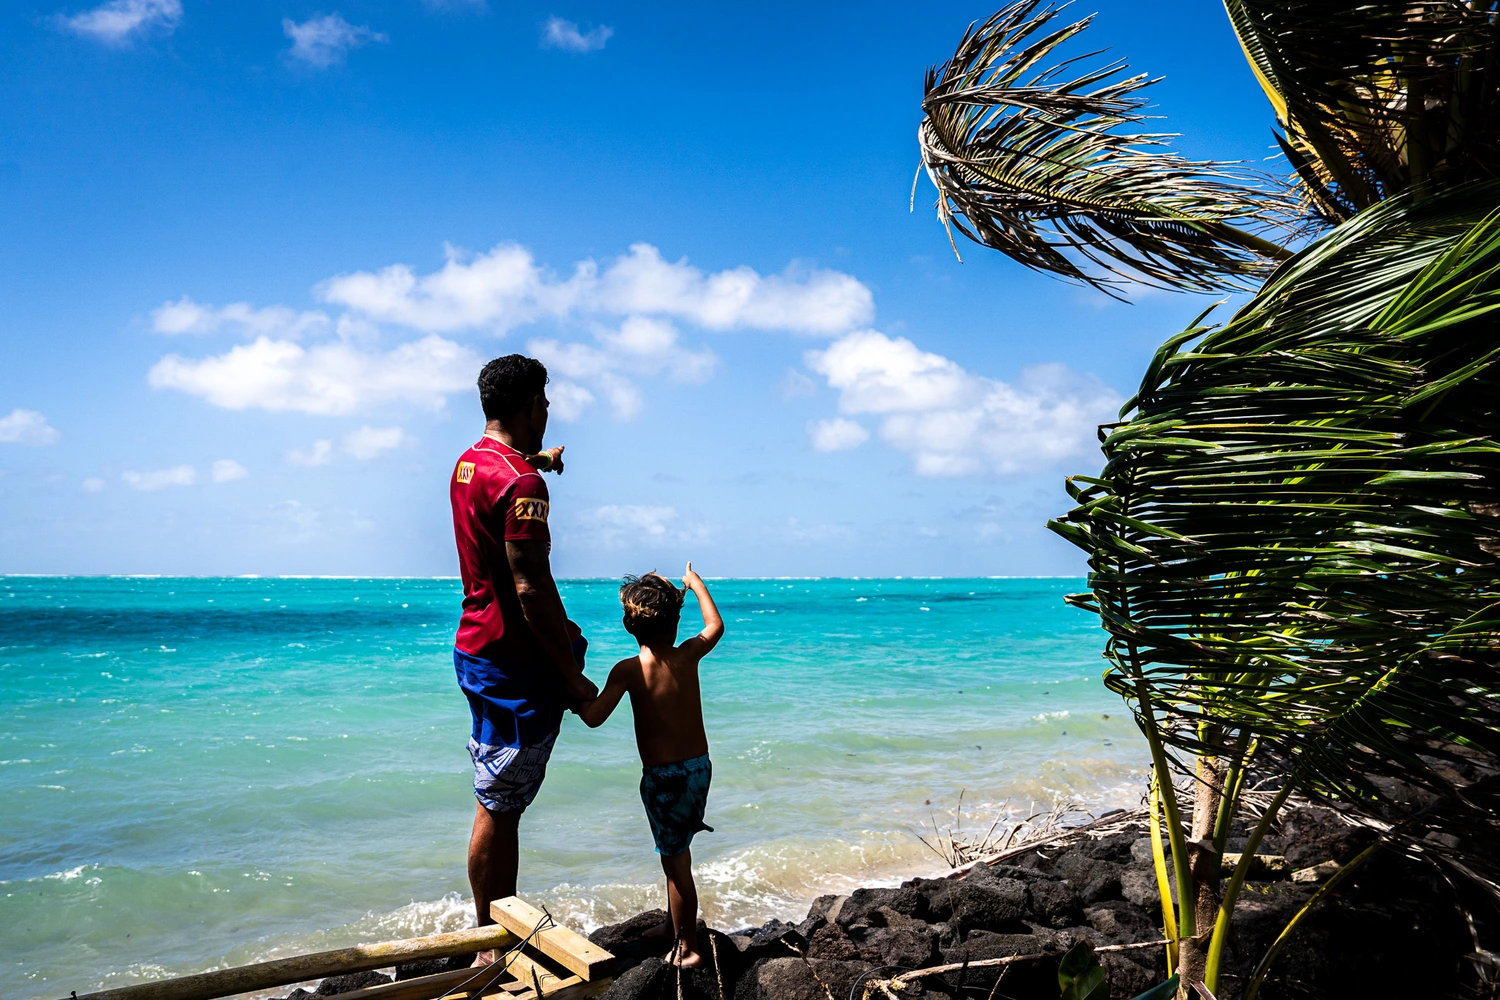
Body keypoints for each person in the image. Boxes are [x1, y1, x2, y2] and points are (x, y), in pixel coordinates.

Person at [449, 354, 598, 961]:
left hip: (476, 647)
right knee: (500, 806)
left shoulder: (469, 463)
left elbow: (502, 478)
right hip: (515, 661)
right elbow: (531, 586)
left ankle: (492, 929)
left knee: (496, 796)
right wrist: (572, 678)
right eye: (545, 400)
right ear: (530, 404)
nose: (549, 409)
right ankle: (490, 944)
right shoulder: (523, 486)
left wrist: (540, 459)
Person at [578, 564, 724, 967]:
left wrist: (571, 693)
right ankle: (673, 926)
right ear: (675, 624)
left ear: (630, 625)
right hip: (698, 769)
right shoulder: (688, 655)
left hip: (663, 780)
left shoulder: (629, 670)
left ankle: (688, 947)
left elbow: (593, 717)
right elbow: (715, 626)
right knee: (676, 852)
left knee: (676, 864)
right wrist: (696, 584)